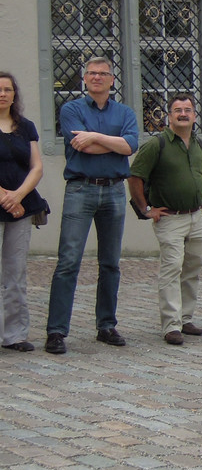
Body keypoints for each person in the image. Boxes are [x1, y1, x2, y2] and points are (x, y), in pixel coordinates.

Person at [45, 57, 139, 355]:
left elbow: (130, 146)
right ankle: (57, 331)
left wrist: (97, 137)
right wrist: (114, 143)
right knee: (68, 262)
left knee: (110, 262)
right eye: (91, 73)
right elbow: (79, 145)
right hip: (81, 189)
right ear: (84, 79)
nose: (97, 78)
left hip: (113, 191)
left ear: (112, 80)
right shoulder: (71, 109)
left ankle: (106, 325)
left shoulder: (124, 112)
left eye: (103, 73)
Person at [129, 93, 202, 345]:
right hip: (170, 219)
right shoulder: (157, 144)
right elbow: (135, 177)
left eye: (188, 110)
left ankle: (185, 318)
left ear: (194, 116)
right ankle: (171, 325)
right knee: (172, 269)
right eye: (178, 110)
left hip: (195, 218)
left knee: (192, 268)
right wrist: (146, 209)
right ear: (169, 115)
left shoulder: (198, 144)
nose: (183, 114)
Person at [0, 72, 46, 352]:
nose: (2, 94)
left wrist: (18, 195)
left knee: (16, 272)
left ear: (14, 95)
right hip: (8, 202)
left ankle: (15, 334)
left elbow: (37, 166)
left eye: (7, 89)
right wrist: (5, 196)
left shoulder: (25, 127)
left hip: (21, 207)